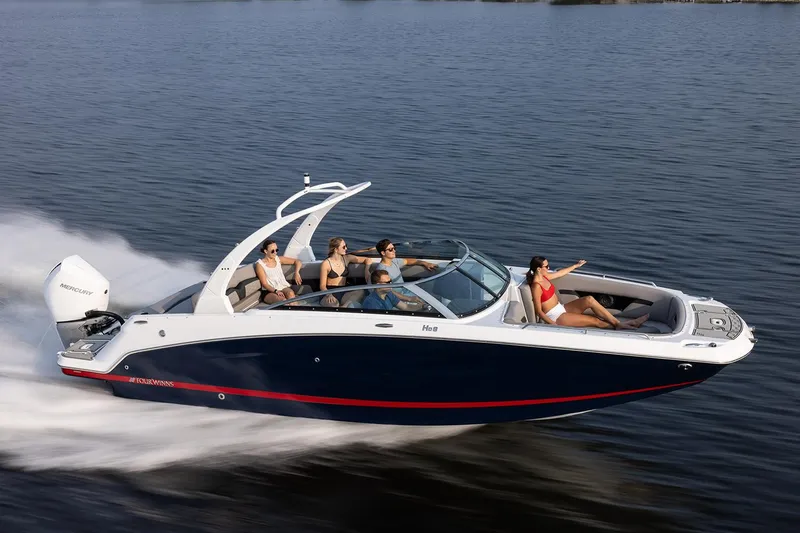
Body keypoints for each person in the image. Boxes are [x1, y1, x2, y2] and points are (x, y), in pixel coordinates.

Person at [527, 256, 649, 329]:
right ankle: (624, 326)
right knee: (594, 321)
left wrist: (575, 266)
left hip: (561, 308)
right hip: (555, 316)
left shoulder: (545, 277)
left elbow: (560, 273)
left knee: (589, 299)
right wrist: (553, 324)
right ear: (538, 269)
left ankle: (618, 323)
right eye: (546, 266)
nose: (549, 268)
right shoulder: (536, 286)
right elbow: (539, 311)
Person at [319, 237, 373, 307]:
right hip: (329, 292)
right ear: (336, 249)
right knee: (334, 305)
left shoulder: (347, 258)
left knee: (361, 292)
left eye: (346, 246)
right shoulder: (326, 263)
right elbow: (322, 286)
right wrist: (329, 295)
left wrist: (366, 270)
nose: (346, 249)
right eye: (344, 247)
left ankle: (344, 306)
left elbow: (368, 260)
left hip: (343, 291)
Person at [255, 239, 304, 304]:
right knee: (282, 301)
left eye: (276, 250)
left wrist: (296, 272)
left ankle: (295, 311)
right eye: (273, 251)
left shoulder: (278, 259)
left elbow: (298, 261)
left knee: (290, 294)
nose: (275, 252)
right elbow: (265, 284)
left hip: (283, 287)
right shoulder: (260, 264)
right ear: (265, 251)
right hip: (269, 291)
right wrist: (276, 291)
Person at [370, 239, 437, 285]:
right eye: (390, 249)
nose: (394, 251)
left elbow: (407, 261)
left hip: (404, 291)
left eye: (394, 248)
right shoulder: (381, 271)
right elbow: (388, 291)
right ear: (383, 253)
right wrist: (409, 299)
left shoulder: (394, 261)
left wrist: (425, 263)